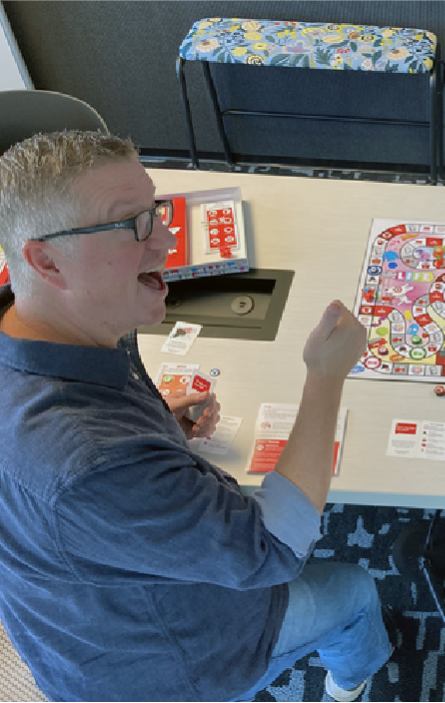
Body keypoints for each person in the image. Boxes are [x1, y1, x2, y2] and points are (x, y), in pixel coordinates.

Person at [0, 130, 391, 702]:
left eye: (154, 210)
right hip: (162, 665)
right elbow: (273, 549)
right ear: (44, 259)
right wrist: (325, 375)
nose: (166, 239)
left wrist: (156, 440)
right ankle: (348, 687)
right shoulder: (94, 460)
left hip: (72, 619)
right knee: (354, 591)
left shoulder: (36, 324)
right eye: (132, 223)